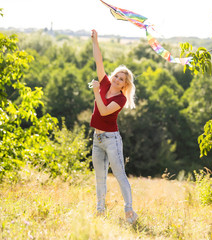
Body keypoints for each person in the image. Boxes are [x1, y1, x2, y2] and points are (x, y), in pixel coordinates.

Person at [90, 29, 137, 224]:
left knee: (119, 175)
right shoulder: (104, 83)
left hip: (111, 140)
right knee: (99, 177)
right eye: (116, 76)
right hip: (97, 139)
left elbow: (102, 110)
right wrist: (95, 41)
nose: (117, 79)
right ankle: (100, 210)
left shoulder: (120, 99)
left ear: (125, 85)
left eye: (121, 79)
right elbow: (98, 62)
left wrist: (94, 91)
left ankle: (129, 211)